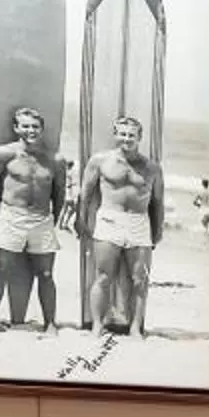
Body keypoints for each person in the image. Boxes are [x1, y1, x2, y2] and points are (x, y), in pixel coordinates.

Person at [78, 113, 164, 338]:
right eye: (122, 134)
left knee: (139, 280)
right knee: (103, 276)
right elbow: (85, 193)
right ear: (115, 135)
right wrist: (80, 219)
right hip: (109, 219)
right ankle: (98, 324)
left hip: (139, 223)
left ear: (140, 137)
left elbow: (157, 202)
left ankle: (135, 326)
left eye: (131, 135)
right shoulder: (100, 160)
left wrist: (158, 230)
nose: (127, 139)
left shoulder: (152, 168)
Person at [0, 105, 65, 332]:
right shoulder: (4, 153)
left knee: (46, 273)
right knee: (1, 269)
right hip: (11, 216)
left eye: (35, 126)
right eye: (25, 126)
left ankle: (50, 323)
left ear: (42, 129)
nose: (31, 131)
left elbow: (59, 193)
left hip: (41, 219)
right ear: (16, 128)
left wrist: (53, 220)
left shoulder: (54, 159)